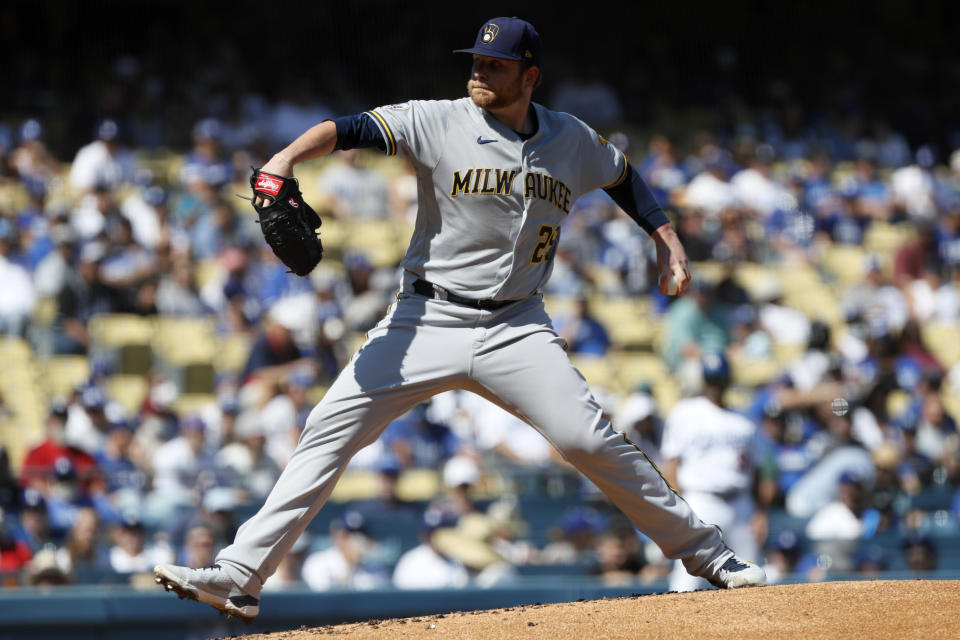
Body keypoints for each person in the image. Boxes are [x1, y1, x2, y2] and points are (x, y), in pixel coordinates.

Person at [155, 17, 765, 621]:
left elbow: (624, 178)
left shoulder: (570, 138)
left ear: (530, 76)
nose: (479, 70)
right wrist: (285, 159)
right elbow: (347, 129)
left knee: (589, 439)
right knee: (328, 429)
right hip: (426, 317)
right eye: (475, 60)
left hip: (518, 327)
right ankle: (240, 575)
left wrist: (665, 236)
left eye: (495, 64)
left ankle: (709, 555)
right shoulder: (437, 118)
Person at [662, 353, 762, 592]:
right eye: (713, 380)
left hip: (740, 503)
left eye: (721, 380)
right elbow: (672, 463)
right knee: (686, 580)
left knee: (752, 574)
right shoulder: (685, 412)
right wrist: (678, 505)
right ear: (704, 382)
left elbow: (756, 470)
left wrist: (759, 511)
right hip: (701, 500)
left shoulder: (744, 420)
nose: (716, 386)